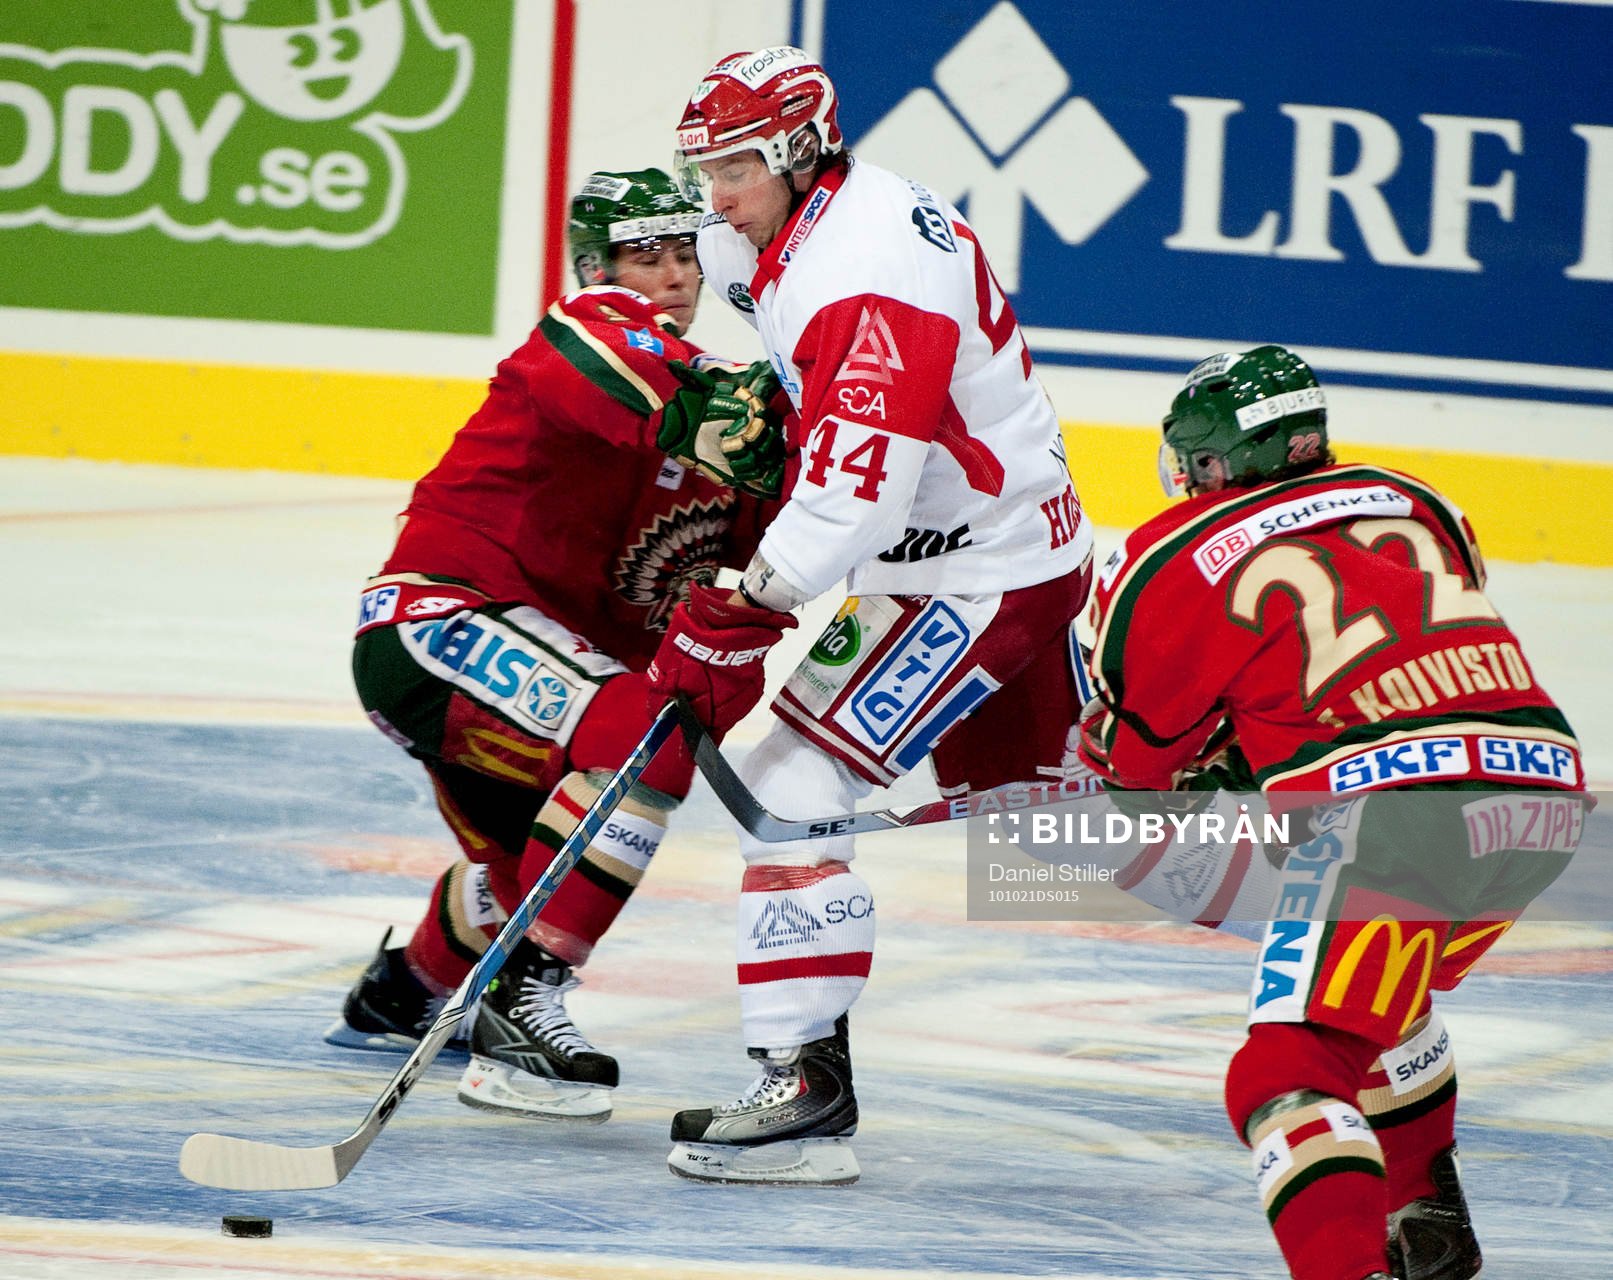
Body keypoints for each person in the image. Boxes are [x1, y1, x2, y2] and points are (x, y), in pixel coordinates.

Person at [646, 47, 1094, 1184]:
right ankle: (1315, 855)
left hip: (975, 574)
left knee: (793, 787)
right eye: (704, 170)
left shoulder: (866, 267)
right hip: (970, 551)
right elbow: (828, 410)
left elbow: (858, 482)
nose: (717, 196)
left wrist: (751, 597)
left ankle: (804, 1088)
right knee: (1081, 815)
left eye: (737, 167)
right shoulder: (798, 224)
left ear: (802, 150)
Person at [1077, 344, 1586, 1280]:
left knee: (1283, 1073)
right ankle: (1422, 1207)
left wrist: (1134, 774)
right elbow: (1403, 652)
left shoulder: (1165, 552)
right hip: (1541, 796)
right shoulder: (1413, 495)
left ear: (1210, 461)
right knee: (1376, 1001)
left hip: (1389, 814)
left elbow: (1142, 767)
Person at [325, 168, 786, 1124]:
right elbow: (643, 382)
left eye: (682, 253)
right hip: (436, 622)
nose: (668, 274)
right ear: (595, 267)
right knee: (641, 742)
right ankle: (519, 1001)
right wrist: (779, 398)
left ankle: (403, 991)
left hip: (525, 673)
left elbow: (803, 531)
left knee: (528, 875)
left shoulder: (724, 442)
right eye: (641, 255)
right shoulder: (585, 333)